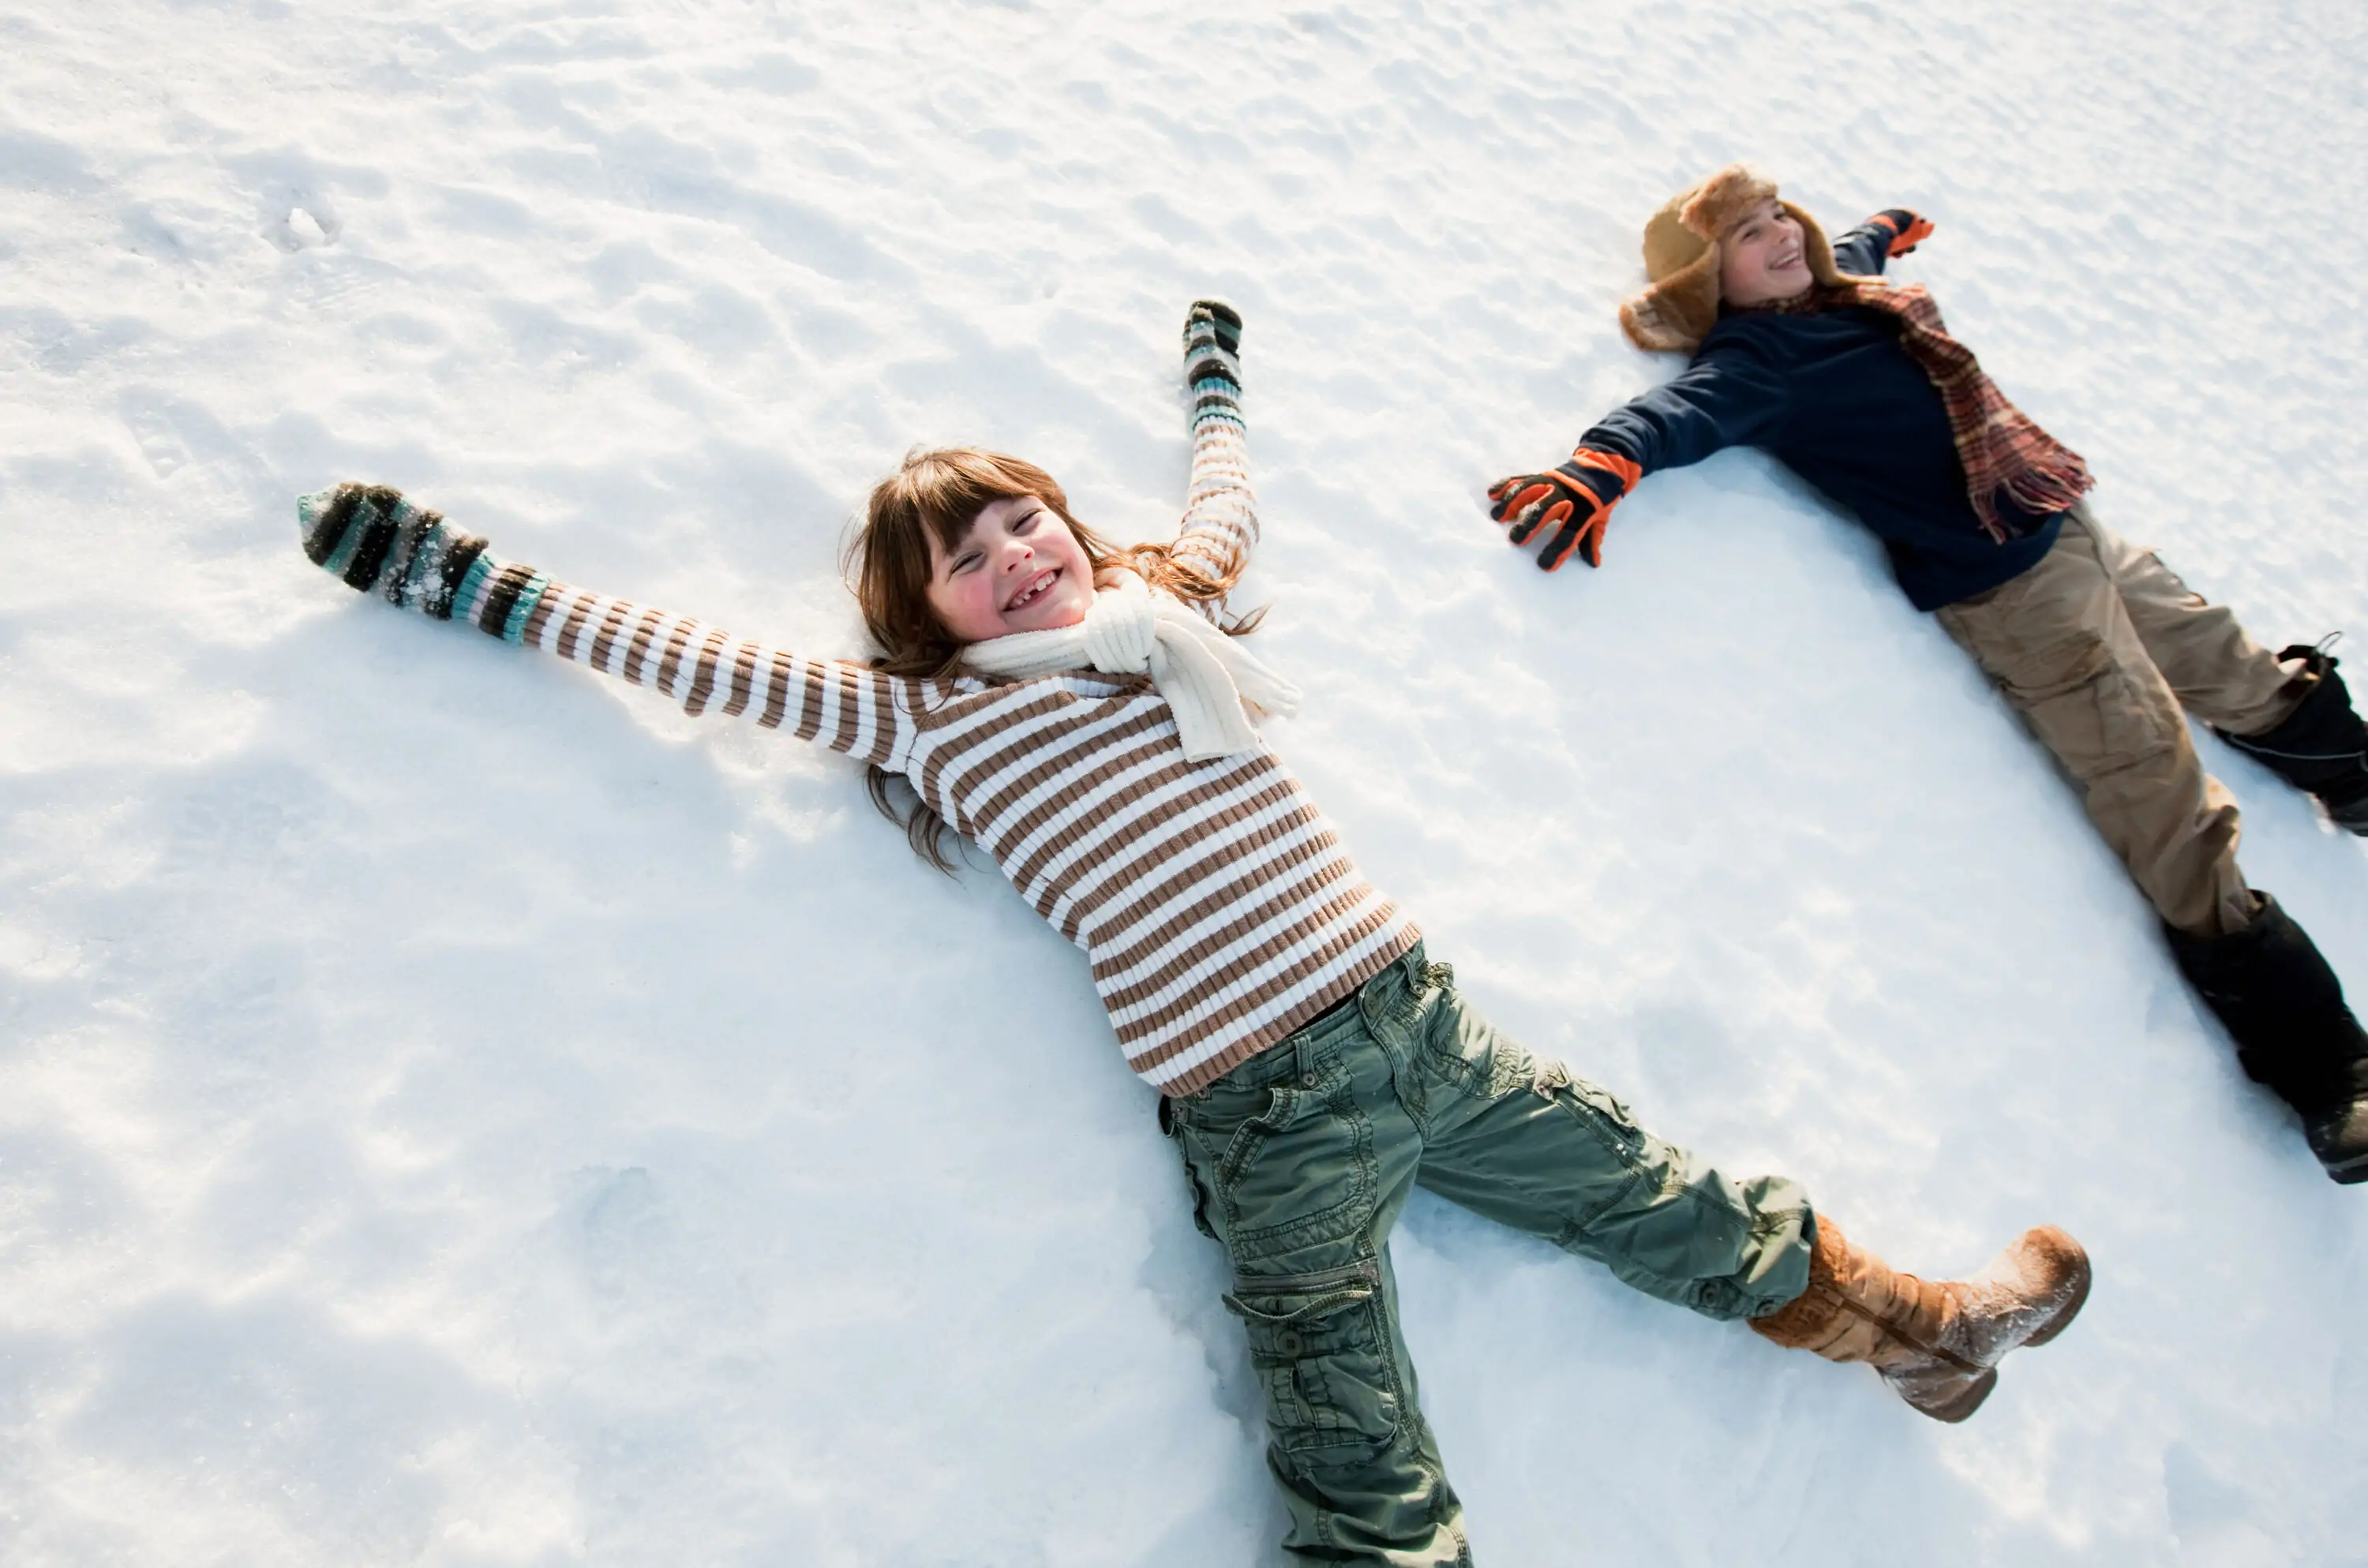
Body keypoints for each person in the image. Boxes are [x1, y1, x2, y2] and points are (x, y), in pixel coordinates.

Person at [298, 301, 2088, 1567]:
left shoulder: (1169, 612)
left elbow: (1223, 507)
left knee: (1670, 1196)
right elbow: (695, 661)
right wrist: (465, 576)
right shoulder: (932, 716)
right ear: (923, 619)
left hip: (1421, 1025)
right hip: (1262, 1106)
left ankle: (1918, 1330)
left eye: (1026, 524)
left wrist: (1214, 377)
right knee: (1347, 1425)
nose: (1017, 561)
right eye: (969, 562)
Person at [1487, 167, 2368, 1187]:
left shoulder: (1842, 286)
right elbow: (1675, 414)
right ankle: (2329, 1067)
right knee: (2164, 802)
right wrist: (1602, 466)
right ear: (1710, 287)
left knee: (2228, 658)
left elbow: (1848, 252)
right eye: (1748, 238)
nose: (1781, 238)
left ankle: (2351, 774)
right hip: (2025, 606)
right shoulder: (1760, 355)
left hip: (2061, 519)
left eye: (1783, 217)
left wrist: (1882, 232)